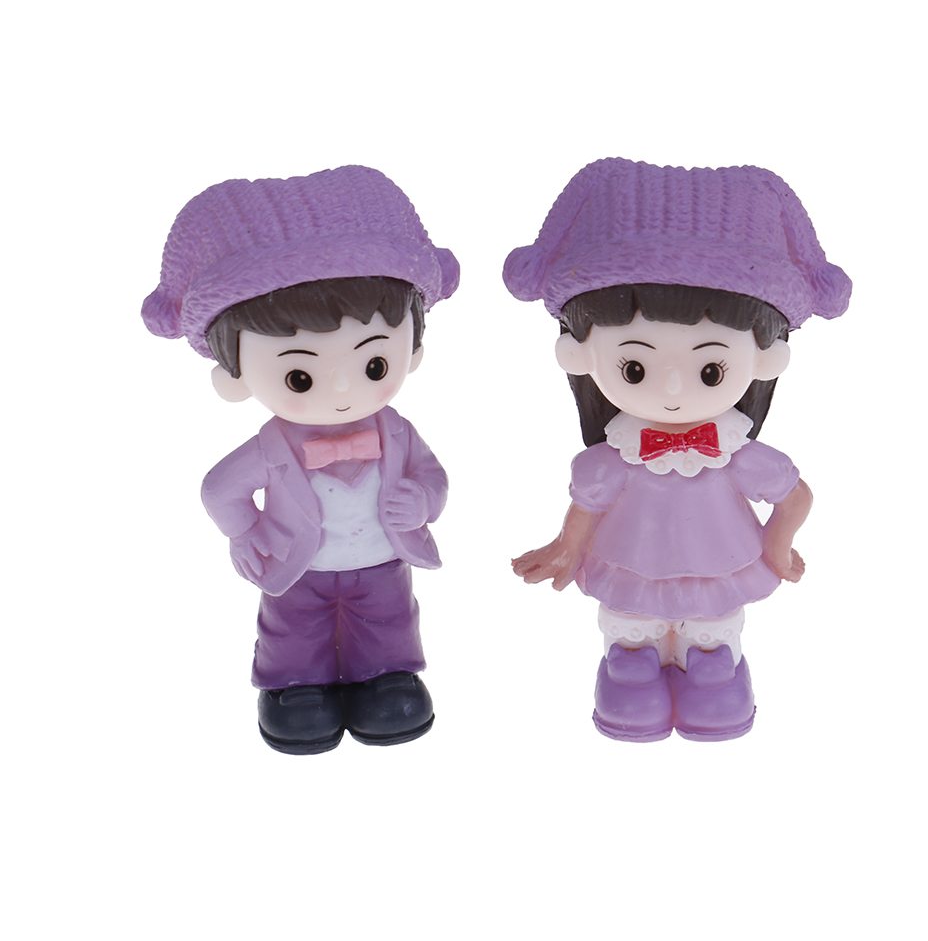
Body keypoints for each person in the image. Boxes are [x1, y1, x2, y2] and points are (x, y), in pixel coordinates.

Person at [503, 158, 850, 742]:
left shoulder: (735, 453)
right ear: (582, 354)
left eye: (710, 368)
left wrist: (778, 546)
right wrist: (565, 548)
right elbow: (586, 507)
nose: (670, 389)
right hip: (630, 559)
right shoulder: (615, 457)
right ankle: (630, 668)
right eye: (634, 367)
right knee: (631, 628)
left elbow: (796, 498)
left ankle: (712, 671)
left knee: (711, 631)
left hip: (720, 562)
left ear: (763, 360)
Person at [142, 166, 458, 754]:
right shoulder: (271, 445)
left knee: (388, 620)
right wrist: (246, 533)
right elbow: (219, 489)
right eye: (299, 375)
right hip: (299, 565)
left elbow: (433, 476)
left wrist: (422, 500)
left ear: (412, 349)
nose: (340, 389)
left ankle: (387, 678)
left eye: (373, 365)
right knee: (292, 628)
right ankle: (295, 687)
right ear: (235, 376)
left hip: (383, 560)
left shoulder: (396, 430)